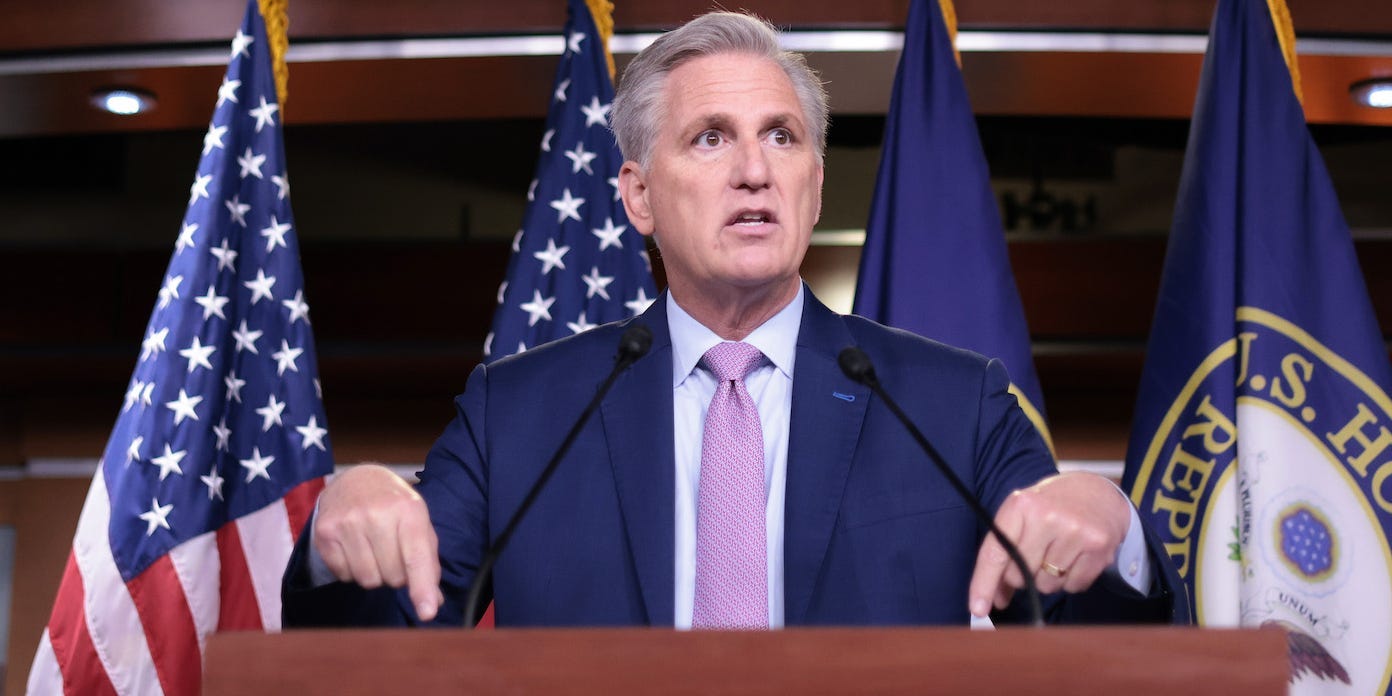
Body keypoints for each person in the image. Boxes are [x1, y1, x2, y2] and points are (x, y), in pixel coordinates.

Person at [282, 11, 1186, 628]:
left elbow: (1096, 632)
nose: (754, 170)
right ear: (638, 195)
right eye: (711, 137)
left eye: (782, 137)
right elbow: (386, 632)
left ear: (814, 182)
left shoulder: (955, 404)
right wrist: (340, 534)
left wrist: (1112, 522)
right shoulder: (517, 414)